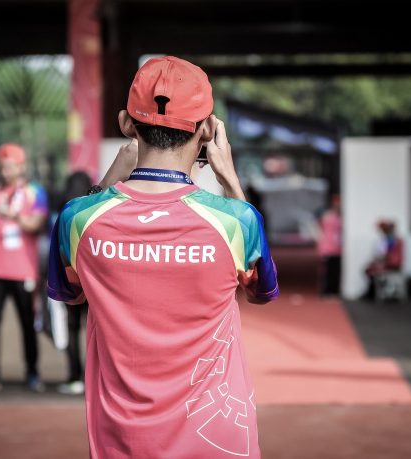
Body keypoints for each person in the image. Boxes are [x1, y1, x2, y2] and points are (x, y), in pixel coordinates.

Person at [48, 56, 279, 458]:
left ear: (125, 123)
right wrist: (231, 182)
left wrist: (106, 185)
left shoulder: (78, 218)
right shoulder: (237, 220)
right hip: (217, 440)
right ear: (208, 130)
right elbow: (261, 292)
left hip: (122, 442)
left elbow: (72, 295)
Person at [0, 143, 48, 394]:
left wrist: (11, 214)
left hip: (23, 269)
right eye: (2, 166)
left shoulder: (33, 192)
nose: (5, 171)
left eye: (10, 166)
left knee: (27, 322)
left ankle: (32, 371)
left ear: (21, 166)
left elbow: (36, 224)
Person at [56, 171, 92, 395]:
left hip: (70, 279)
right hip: (93, 283)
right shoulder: (94, 211)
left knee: (71, 328)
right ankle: (93, 376)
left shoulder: (66, 212)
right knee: (96, 330)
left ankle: (73, 375)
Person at [363, 219, 404, 299]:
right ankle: (373, 291)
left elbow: (387, 255)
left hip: (392, 265)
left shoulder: (392, 240)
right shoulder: (392, 239)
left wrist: (378, 260)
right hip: (391, 263)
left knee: (371, 269)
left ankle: (373, 292)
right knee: (369, 269)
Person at [317, 194, 342, 296]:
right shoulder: (327, 216)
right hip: (327, 247)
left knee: (335, 270)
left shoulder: (339, 217)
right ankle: (326, 291)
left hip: (337, 248)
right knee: (327, 271)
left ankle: (333, 290)